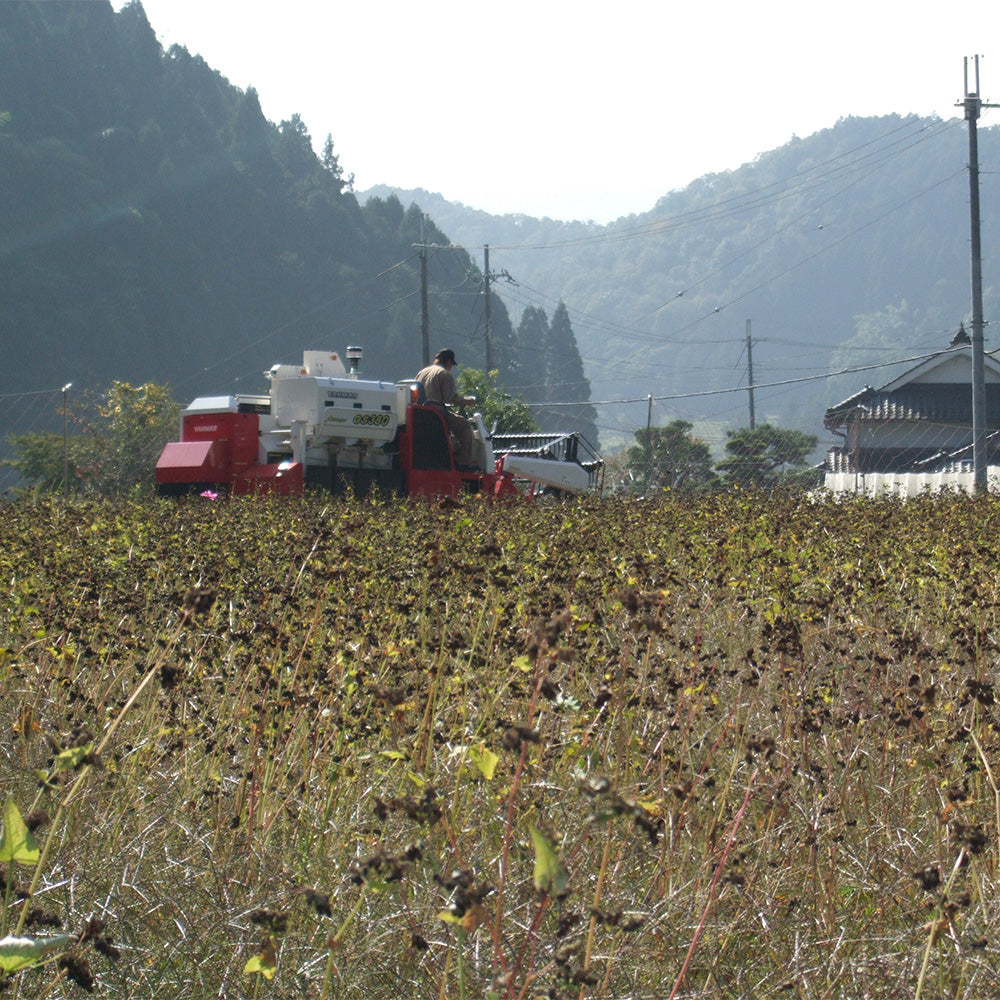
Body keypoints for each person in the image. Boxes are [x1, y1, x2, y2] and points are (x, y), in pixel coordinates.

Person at [414, 349, 479, 470]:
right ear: (449, 362)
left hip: (420, 413)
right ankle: (463, 463)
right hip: (436, 414)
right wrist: (468, 401)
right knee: (465, 426)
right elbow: (451, 398)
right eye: (452, 364)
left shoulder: (421, 373)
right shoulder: (444, 374)